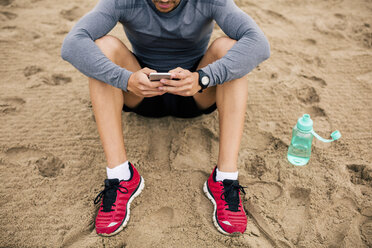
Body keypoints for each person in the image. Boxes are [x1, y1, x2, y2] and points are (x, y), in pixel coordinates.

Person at [61, 0, 270, 236]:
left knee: (230, 48)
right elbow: (72, 44)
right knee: (103, 46)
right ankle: (121, 176)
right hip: (141, 90)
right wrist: (125, 79)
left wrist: (202, 78)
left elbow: (259, 44)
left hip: (196, 90)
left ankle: (225, 178)